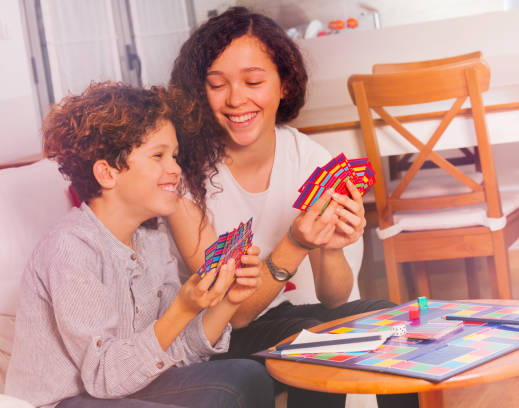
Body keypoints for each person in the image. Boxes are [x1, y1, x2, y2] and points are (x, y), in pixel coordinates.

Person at [166, 7, 419, 408]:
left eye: (253, 81)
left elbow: (336, 299)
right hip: (214, 337)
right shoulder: (183, 181)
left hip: (284, 315)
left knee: (390, 319)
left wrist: (331, 246)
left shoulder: (310, 159)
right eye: (217, 85)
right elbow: (231, 317)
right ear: (201, 92)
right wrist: (297, 243)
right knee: (309, 340)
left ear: (283, 85)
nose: (236, 99)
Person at [4, 81, 274, 408]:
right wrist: (183, 308)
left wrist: (228, 300)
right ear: (107, 173)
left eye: (173, 155)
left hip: (125, 387)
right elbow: (105, 377)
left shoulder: (153, 241)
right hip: (69, 401)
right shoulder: (70, 249)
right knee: (224, 393)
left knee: (248, 375)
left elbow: (174, 352)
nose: (175, 169)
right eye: (158, 155)